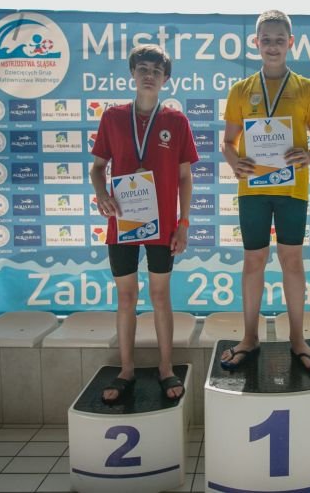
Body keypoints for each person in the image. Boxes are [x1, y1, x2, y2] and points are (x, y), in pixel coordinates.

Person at [220, 10, 310, 371]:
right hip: (252, 190)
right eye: (266, 39)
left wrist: (308, 156)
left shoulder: (307, 88)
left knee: (291, 261)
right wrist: (234, 161)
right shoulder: (240, 90)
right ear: (256, 42)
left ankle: (297, 339)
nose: (272, 46)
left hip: (292, 189)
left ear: (290, 43)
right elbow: (227, 142)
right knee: (253, 260)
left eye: (279, 40)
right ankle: (249, 337)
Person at [90, 44, 198, 404]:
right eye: (143, 69)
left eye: (156, 70)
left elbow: (185, 177)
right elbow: (97, 168)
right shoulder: (112, 117)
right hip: (122, 222)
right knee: (126, 297)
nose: (149, 75)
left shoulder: (177, 122)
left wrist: (183, 223)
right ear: (132, 74)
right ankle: (126, 369)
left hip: (162, 225)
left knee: (160, 296)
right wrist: (101, 193)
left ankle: (166, 368)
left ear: (166, 79)